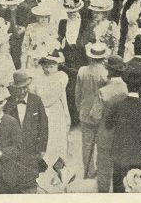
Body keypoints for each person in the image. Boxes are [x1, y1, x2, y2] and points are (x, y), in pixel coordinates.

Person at [105, 68, 141, 193]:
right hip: (138, 156)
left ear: (126, 85)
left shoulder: (117, 105)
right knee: (135, 188)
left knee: (118, 189)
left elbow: (108, 125)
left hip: (119, 155)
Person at [4, 69, 49, 192]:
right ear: (14, 88)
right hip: (15, 152)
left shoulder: (36, 101)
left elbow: (44, 126)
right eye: (20, 88)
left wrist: (42, 148)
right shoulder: (8, 104)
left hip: (32, 150)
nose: (24, 91)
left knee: (31, 182)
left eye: (26, 87)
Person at [90, 54, 128, 193]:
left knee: (104, 170)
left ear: (109, 71)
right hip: (122, 135)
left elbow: (95, 115)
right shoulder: (126, 89)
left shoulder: (103, 91)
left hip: (105, 134)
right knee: (120, 171)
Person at [75, 42, 109, 179]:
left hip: (85, 112)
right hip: (101, 114)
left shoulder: (82, 71)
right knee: (101, 144)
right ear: (103, 58)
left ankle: (88, 172)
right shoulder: (105, 73)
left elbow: (77, 94)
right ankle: (101, 170)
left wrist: (79, 108)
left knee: (87, 145)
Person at [31, 49, 71, 166]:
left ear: (58, 65)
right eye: (46, 66)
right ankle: (44, 169)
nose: (49, 69)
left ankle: (58, 170)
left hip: (56, 111)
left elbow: (61, 97)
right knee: (44, 140)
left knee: (57, 140)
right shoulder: (37, 78)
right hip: (42, 110)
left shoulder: (61, 76)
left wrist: (66, 114)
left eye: (52, 66)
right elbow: (35, 95)